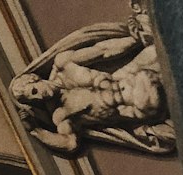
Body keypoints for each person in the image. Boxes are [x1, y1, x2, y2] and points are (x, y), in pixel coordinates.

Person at [10, 5, 173, 156]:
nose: (39, 97)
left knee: (160, 47)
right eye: (33, 100)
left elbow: (104, 51)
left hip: (138, 77)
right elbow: (69, 143)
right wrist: (35, 130)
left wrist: (135, 39)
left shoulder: (64, 64)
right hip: (143, 110)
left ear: (35, 79)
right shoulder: (61, 115)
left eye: (34, 91)